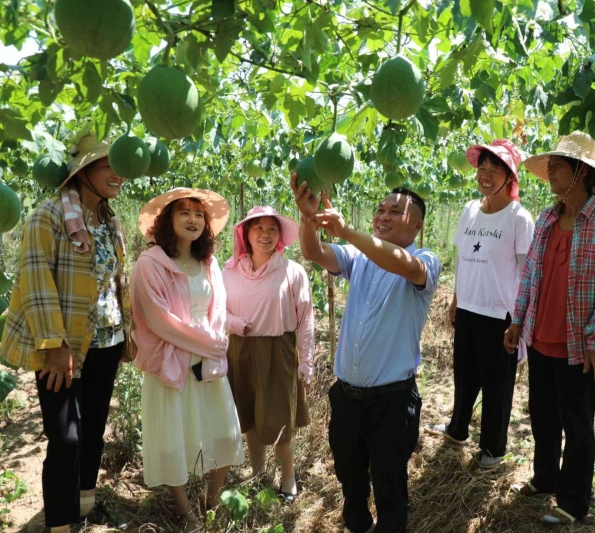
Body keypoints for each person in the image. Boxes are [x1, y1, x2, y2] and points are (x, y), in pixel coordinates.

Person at [291, 174, 441, 533]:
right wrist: (309, 219)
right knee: (350, 479)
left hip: (391, 400)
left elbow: (406, 267)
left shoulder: (425, 259)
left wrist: (348, 232)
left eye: (395, 212)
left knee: (390, 486)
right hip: (347, 398)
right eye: (380, 210)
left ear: (417, 226)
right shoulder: (358, 257)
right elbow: (313, 252)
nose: (383, 216)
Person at [0, 134, 130, 531]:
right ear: (83, 170)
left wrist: (130, 331)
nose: (118, 173)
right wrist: (55, 346)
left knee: (92, 428)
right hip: (64, 345)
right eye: (108, 164)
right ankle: (59, 523)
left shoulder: (107, 218)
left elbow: (116, 281)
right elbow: (37, 282)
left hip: (107, 340)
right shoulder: (49, 215)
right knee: (65, 438)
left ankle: (84, 504)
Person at [504, 132, 595, 525]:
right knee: (541, 413)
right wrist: (518, 321)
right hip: (540, 336)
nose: (550, 170)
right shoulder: (547, 218)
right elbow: (531, 277)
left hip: (576, 344)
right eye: (551, 164)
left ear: (583, 173)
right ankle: (545, 478)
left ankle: (573, 502)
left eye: (559, 164)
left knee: (576, 423)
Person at [130, 188, 244, 529]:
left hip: (207, 362)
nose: (193, 220)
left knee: (224, 432)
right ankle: (185, 511)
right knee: (173, 438)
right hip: (171, 362)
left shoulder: (207, 263)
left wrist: (213, 343)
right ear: (167, 220)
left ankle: (211, 500)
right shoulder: (150, 264)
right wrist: (210, 343)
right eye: (184, 213)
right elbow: (157, 318)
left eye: (199, 214)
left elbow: (219, 309)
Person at [425, 139, 534, 468]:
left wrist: (519, 319)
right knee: (465, 374)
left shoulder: (518, 218)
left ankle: (493, 448)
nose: (485, 175)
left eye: (494, 169)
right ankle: (458, 429)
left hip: (500, 314)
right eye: (482, 168)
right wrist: (456, 300)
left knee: (497, 385)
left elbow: (527, 273)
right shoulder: (470, 210)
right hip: (470, 308)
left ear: (509, 176)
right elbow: (462, 258)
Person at [222, 206, 314, 502]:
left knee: (279, 420)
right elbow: (214, 313)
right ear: (245, 235)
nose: (265, 234)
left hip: (279, 351)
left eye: (272, 229)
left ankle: (288, 480)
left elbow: (306, 320)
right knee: (249, 414)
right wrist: (235, 324)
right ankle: (259, 474)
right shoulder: (229, 270)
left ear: (280, 236)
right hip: (240, 350)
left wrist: (307, 362)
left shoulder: (292, 271)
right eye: (258, 228)